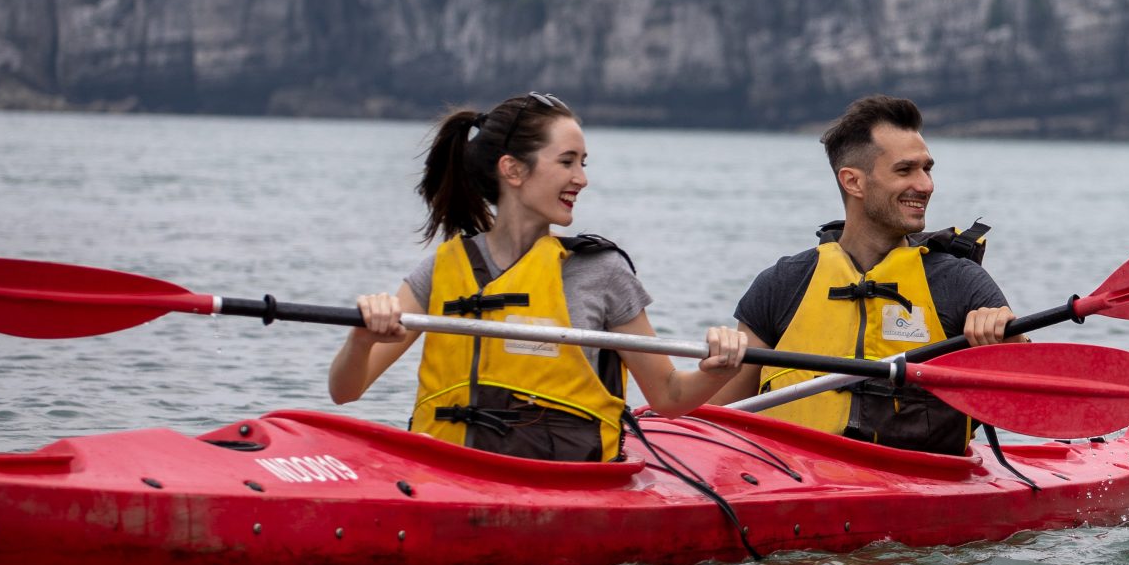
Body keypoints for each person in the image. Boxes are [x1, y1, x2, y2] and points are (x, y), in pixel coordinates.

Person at [327, 91, 745, 461]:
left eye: (582, 163)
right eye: (567, 162)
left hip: (562, 482)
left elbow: (668, 396)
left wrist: (718, 369)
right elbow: (345, 390)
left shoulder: (601, 271)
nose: (581, 178)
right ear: (512, 170)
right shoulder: (441, 270)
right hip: (446, 473)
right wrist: (361, 339)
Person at [706, 94, 1017, 454]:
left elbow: (1026, 404)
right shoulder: (783, 283)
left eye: (927, 169)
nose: (926, 185)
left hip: (918, 481)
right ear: (853, 182)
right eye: (905, 170)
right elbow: (715, 417)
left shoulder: (960, 283)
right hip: (791, 474)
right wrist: (716, 366)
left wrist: (1005, 341)